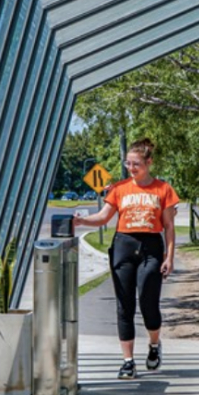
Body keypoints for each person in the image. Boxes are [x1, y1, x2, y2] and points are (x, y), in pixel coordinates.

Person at [73, 138, 179, 380]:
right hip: (123, 245)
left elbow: (169, 227)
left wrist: (169, 257)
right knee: (124, 306)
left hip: (151, 247)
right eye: (128, 164)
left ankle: (154, 344)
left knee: (148, 302)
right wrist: (80, 221)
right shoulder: (119, 189)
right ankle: (128, 362)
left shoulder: (163, 189)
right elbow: (102, 217)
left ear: (149, 162)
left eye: (136, 164)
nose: (131, 168)